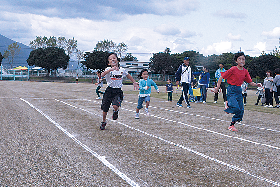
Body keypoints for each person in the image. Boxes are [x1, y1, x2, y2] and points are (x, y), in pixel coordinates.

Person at [213, 52, 262, 132]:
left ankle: (232, 125)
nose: (242, 61)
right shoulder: (233, 69)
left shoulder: (245, 71)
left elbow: (250, 82)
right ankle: (228, 104)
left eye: (243, 59)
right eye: (240, 59)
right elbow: (222, 77)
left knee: (241, 111)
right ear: (236, 61)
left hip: (239, 90)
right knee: (235, 107)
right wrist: (217, 87)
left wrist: (257, 84)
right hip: (231, 89)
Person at [100, 53, 138, 130]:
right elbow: (102, 75)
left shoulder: (122, 70)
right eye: (110, 59)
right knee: (105, 109)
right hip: (109, 90)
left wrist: (134, 82)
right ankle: (103, 122)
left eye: (114, 58)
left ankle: (115, 111)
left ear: (117, 60)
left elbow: (128, 75)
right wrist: (111, 69)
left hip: (118, 91)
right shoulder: (108, 69)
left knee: (115, 105)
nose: (112, 59)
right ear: (108, 62)